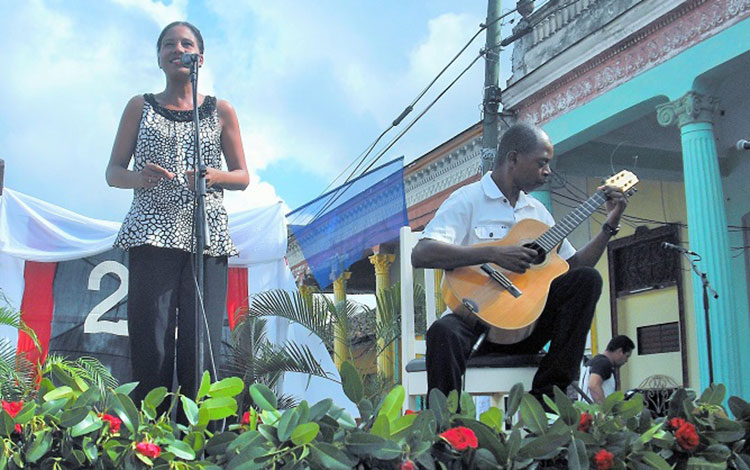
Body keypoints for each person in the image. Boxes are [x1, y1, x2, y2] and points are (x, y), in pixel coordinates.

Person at [411, 122, 628, 403]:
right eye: (542, 163)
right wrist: (493, 253)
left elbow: (574, 267)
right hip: (474, 322)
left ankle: (548, 397)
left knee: (588, 280)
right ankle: (446, 432)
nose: (547, 172)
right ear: (513, 159)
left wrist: (609, 226)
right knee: (442, 331)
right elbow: (422, 254)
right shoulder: (467, 200)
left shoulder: (537, 212)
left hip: (525, 326)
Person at [106, 21, 249, 405]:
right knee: (151, 341)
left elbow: (242, 176)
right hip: (152, 231)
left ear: (199, 57)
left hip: (206, 234)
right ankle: (150, 441)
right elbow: (113, 173)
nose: (177, 49)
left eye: (186, 44)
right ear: (159, 58)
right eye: (168, 44)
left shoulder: (220, 111)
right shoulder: (140, 106)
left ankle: (197, 442)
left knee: (199, 344)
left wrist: (210, 175)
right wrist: (140, 178)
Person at [579, 335, 635, 403]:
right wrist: (605, 410)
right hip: (594, 412)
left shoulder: (594, 362)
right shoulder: (603, 363)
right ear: (620, 351)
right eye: (627, 356)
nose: (626, 360)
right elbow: (593, 385)